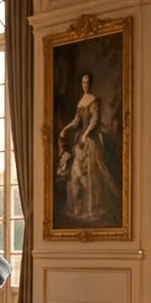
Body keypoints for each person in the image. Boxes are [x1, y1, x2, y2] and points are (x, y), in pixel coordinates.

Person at [58, 72, 120, 220]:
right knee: (77, 173)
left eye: (87, 82)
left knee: (92, 172)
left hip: (91, 139)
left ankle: (93, 207)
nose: (85, 85)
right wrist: (66, 128)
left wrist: (85, 135)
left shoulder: (94, 100)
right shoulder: (81, 101)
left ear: (90, 83)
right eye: (83, 82)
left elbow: (94, 121)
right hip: (81, 138)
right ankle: (80, 208)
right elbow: (76, 121)